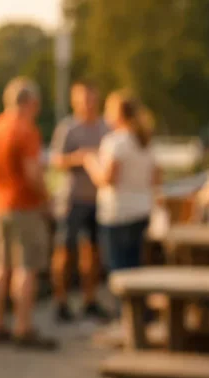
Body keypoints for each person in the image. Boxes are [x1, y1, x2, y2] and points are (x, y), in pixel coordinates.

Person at [0, 77, 57, 349]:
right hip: (24, 207)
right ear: (31, 102)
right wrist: (46, 199)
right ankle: (23, 327)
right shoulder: (25, 130)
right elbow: (33, 172)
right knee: (26, 269)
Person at [49, 81, 111, 323]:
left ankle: (90, 299)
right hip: (72, 200)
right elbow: (56, 160)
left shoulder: (106, 127)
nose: (88, 103)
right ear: (75, 101)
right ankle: (61, 301)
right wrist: (80, 158)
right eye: (83, 99)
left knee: (93, 252)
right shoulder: (68, 128)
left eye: (91, 98)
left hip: (98, 200)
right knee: (64, 251)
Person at [83, 91, 159, 275]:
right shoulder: (145, 141)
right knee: (136, 267)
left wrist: (89, 161)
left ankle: (124, 305)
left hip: (118, 213)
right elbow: (156, 178)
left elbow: (107, 179)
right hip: (142, 211)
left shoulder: (115, 142)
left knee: (119, 269)